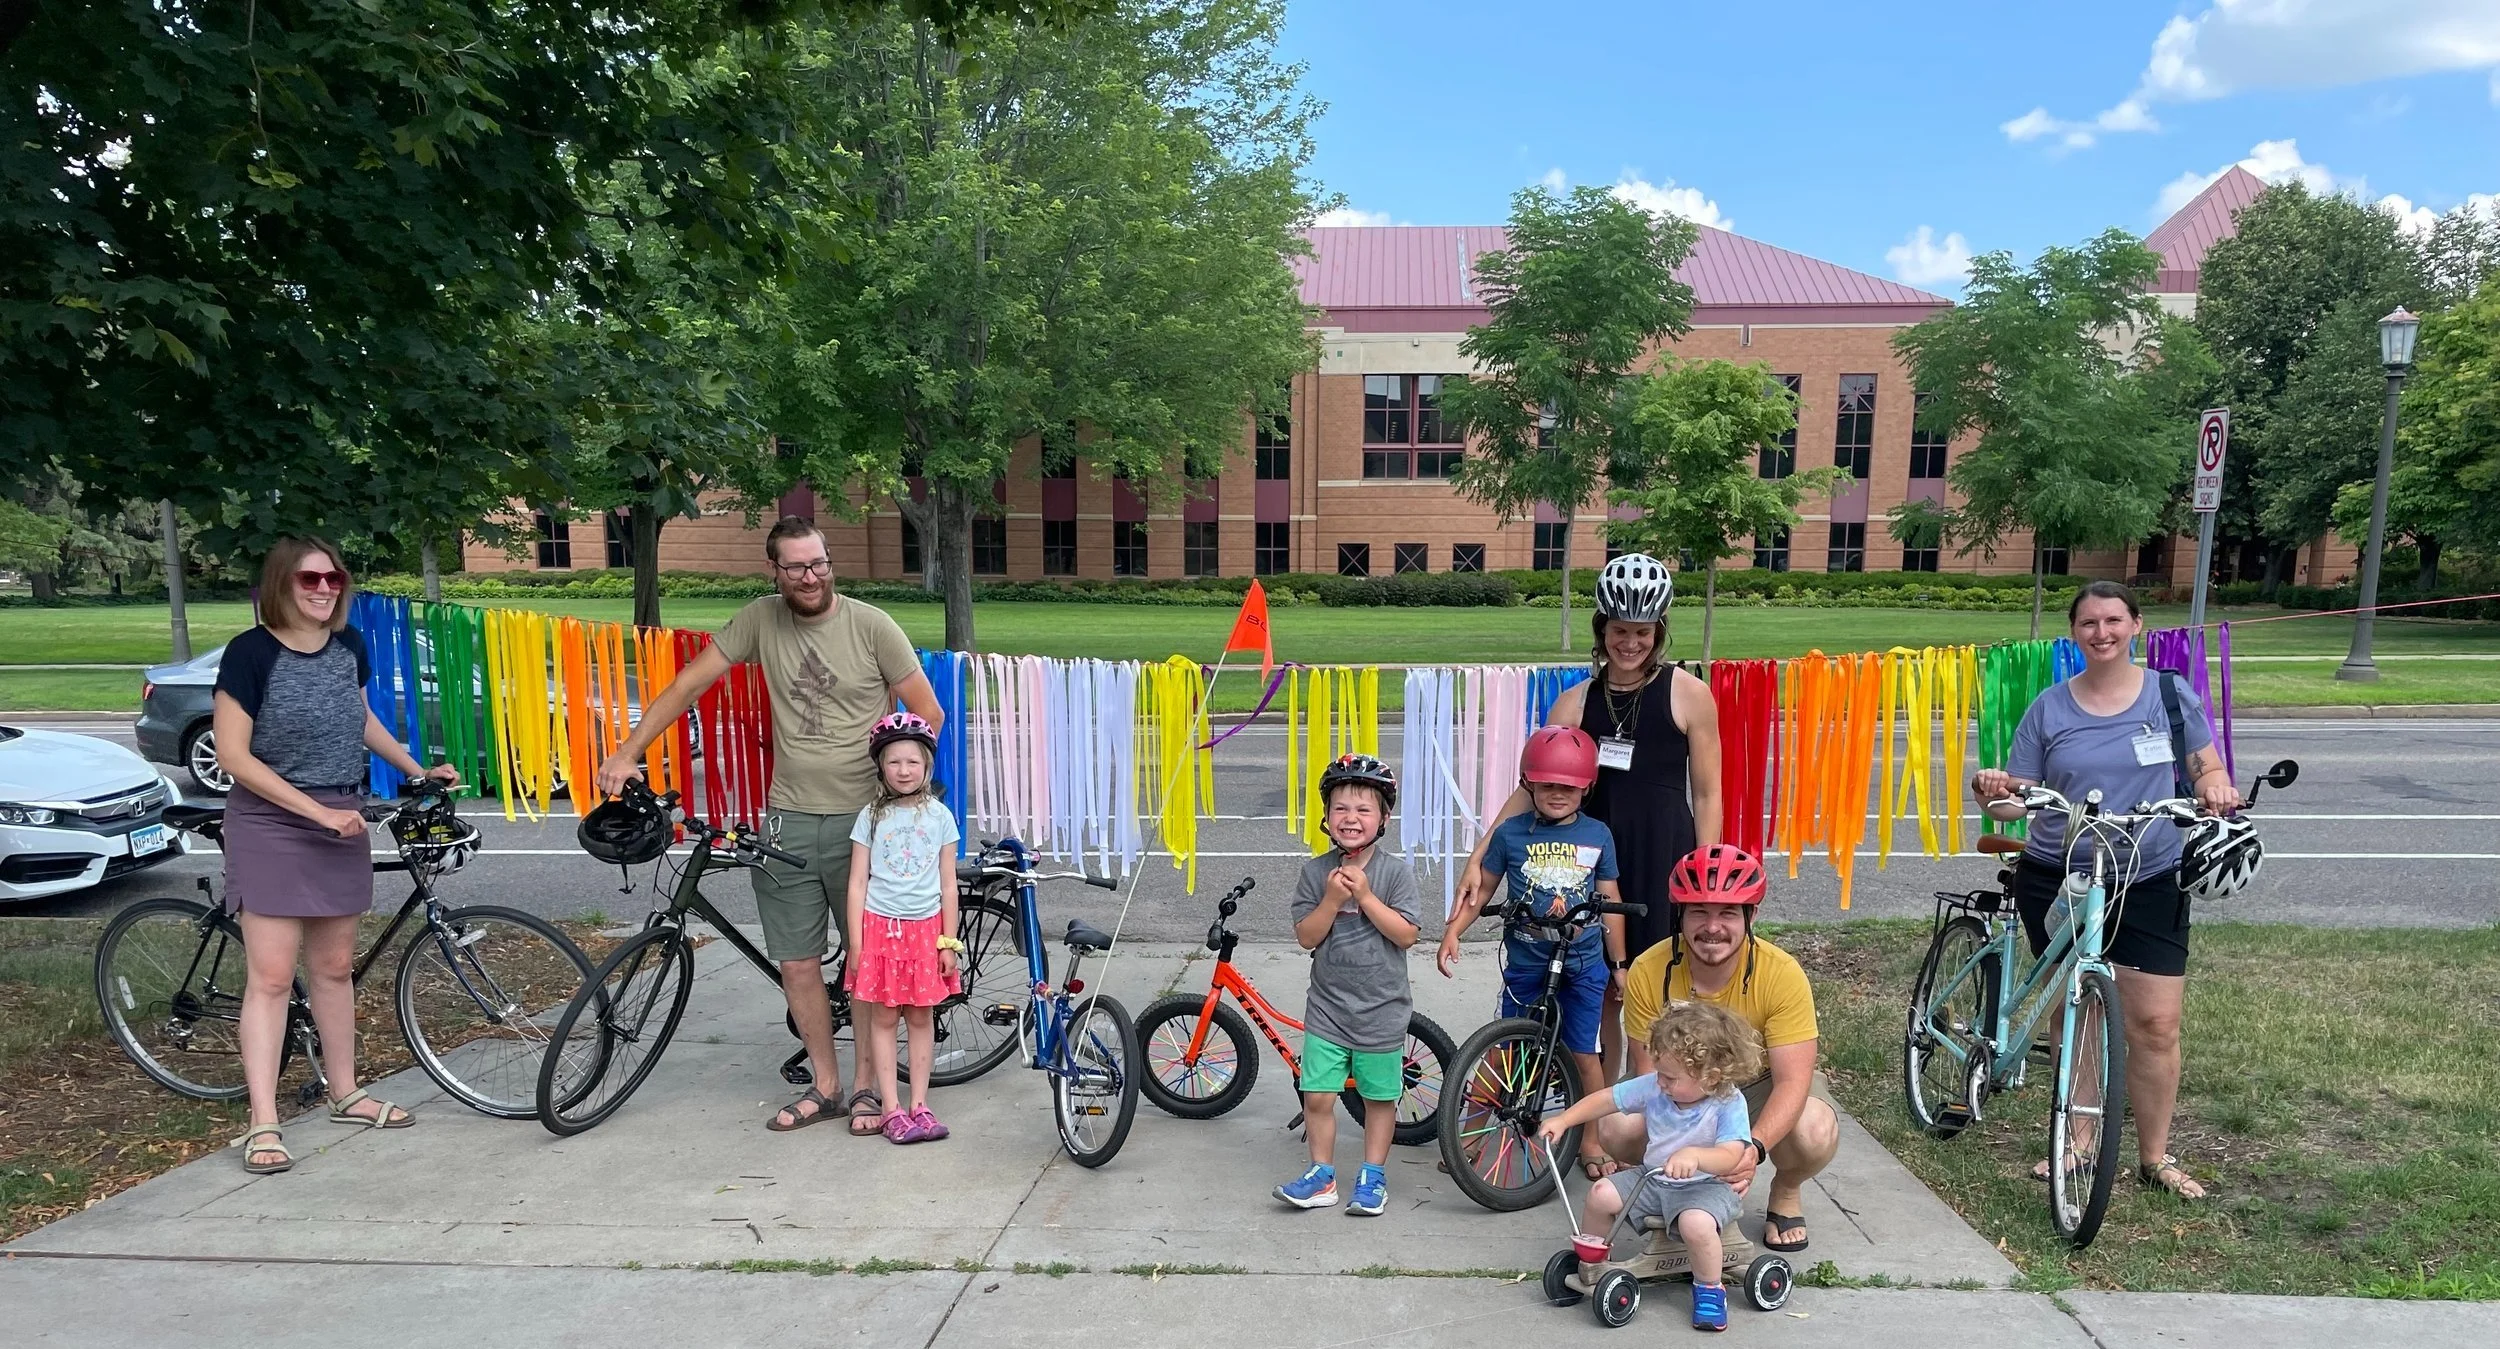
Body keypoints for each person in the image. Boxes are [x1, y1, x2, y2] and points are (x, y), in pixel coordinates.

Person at [595, 517, 943, 1136]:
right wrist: (628, 751)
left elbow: (928, 714)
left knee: (865, 964)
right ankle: (827, 1083)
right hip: (787, 819)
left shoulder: (871, 626)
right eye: (797, 568)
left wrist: (900, 801)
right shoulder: (760, 619)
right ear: (775, 572)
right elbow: (688, 684)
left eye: (820, 564)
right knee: (798, 962)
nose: (812, 577)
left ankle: (868, 1088)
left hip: (866, 826)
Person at [1971, 580, 2239, 1201]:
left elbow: (2208, 769)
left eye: (2114, 620)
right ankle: (2077, 1143)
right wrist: (1993, 791)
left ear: (2136, 624)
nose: (2102, 633)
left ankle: (2154, 1157)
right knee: (2082, 1011)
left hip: (2148, 876)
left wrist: (2216, 790)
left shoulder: (2170, 696)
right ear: (2075, 634)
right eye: (2089, 623)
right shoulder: (2049, 708)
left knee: (2155, 1023)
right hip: (2061, 875)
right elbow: (2017, 803)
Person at [211, 537, 461, 1174]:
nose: (324, 589)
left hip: (338, 818)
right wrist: (316, 812)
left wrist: (415, 770)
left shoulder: (348, 647)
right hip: (271, 821)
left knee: (334, 968)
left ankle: (344, 1092)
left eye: (334, 578)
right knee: (269, 977)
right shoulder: (251, 653)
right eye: (309, 579)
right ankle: (263, 1124)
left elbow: (359, 716)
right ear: (280, 585)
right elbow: (234, 757)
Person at [1457, 554, 1723, 1080]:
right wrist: (1481, 851)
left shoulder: (1690, 694)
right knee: (1599, 991)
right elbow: (1530, 789)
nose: (1631, 643)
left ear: (1659, 631)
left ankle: (1650, 1103)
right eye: (1620, 631)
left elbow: (1709, 793)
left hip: (1661, 853)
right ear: (1602, 631)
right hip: (1588, 861)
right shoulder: (1575, 703)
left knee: (1656, 990)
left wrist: (1705, 873)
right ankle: (1598, 1114)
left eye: (1643, 632)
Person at [1613, 844, 1838, 1254]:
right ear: (1680, 915)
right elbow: (1649, 1075)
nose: (1712, 926)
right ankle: (1672, 1192)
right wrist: (1685, 1148)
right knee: (1616, 1125)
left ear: (1751, 917)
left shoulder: (1782, 974)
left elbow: (1792, 1081)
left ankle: (1786, 1189)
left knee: (1814, 1129)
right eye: (1699, 911)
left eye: (1728, 913)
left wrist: (1749, 1150)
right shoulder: (1648, 970)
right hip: (1676, 1090)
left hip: (1756, 1087)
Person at [1436, 725, 1629, 1182]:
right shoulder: (1510, 834)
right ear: (1528, 784)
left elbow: (1611, 901)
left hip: (1582, 964)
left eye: (1568, 786)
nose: (1557, 793)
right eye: (1546, 785)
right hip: (1527, 961)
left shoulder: (1598, 834)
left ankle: (1592, 1140)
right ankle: (1467, 1136)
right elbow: (1481, 888)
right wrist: (1453, 932)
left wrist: (1618, 965)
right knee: (1506, 1052)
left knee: (1584, 1053)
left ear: (1586, 787)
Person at [1541, 1001, 1766, 1334]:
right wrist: (1564, 1119)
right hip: (1653, 1178)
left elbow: (1732, 1154)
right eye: (1660, 1073)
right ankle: (1592, 1261)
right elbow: (1607, 1099)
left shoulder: (1727, 1103)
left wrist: (1697, 1156)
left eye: (1670, 1077)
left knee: (1696, 1223)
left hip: (1704, 1188)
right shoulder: (1655, 1087)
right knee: (1601, 1192)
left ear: (1711, 1076)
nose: (1661, 1082)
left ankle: (1709, 1288)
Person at [1274, 754, 1421, 1217]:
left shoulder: (1394, 873)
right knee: (1317, 1093)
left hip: (1381, 1008)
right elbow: (1306, 937)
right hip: (1328, 1008)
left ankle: (1372, 1176)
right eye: (1341, 808)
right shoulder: (1316, 873)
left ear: (1383, 819)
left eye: (1363, 809)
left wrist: (1365, 896)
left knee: (1379, 1097)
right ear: (1326, 816)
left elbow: (1406, 934)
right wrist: (1334, 898)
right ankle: (1321, 1175)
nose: (1351, 818)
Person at [845, 713, 962, 1143]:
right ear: (881, 767)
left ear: (927, 765)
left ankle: (920, 1104)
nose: (904, 771)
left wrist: (948, 942)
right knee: (883, 1017)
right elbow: (857, 883)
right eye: (894, 762)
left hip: (926, 931)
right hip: (880, 930)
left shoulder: (940, 818)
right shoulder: (870, 818)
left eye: (913, 762)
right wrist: (857, 945)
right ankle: (890, 1107)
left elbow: (949, 884)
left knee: (919, 1015)